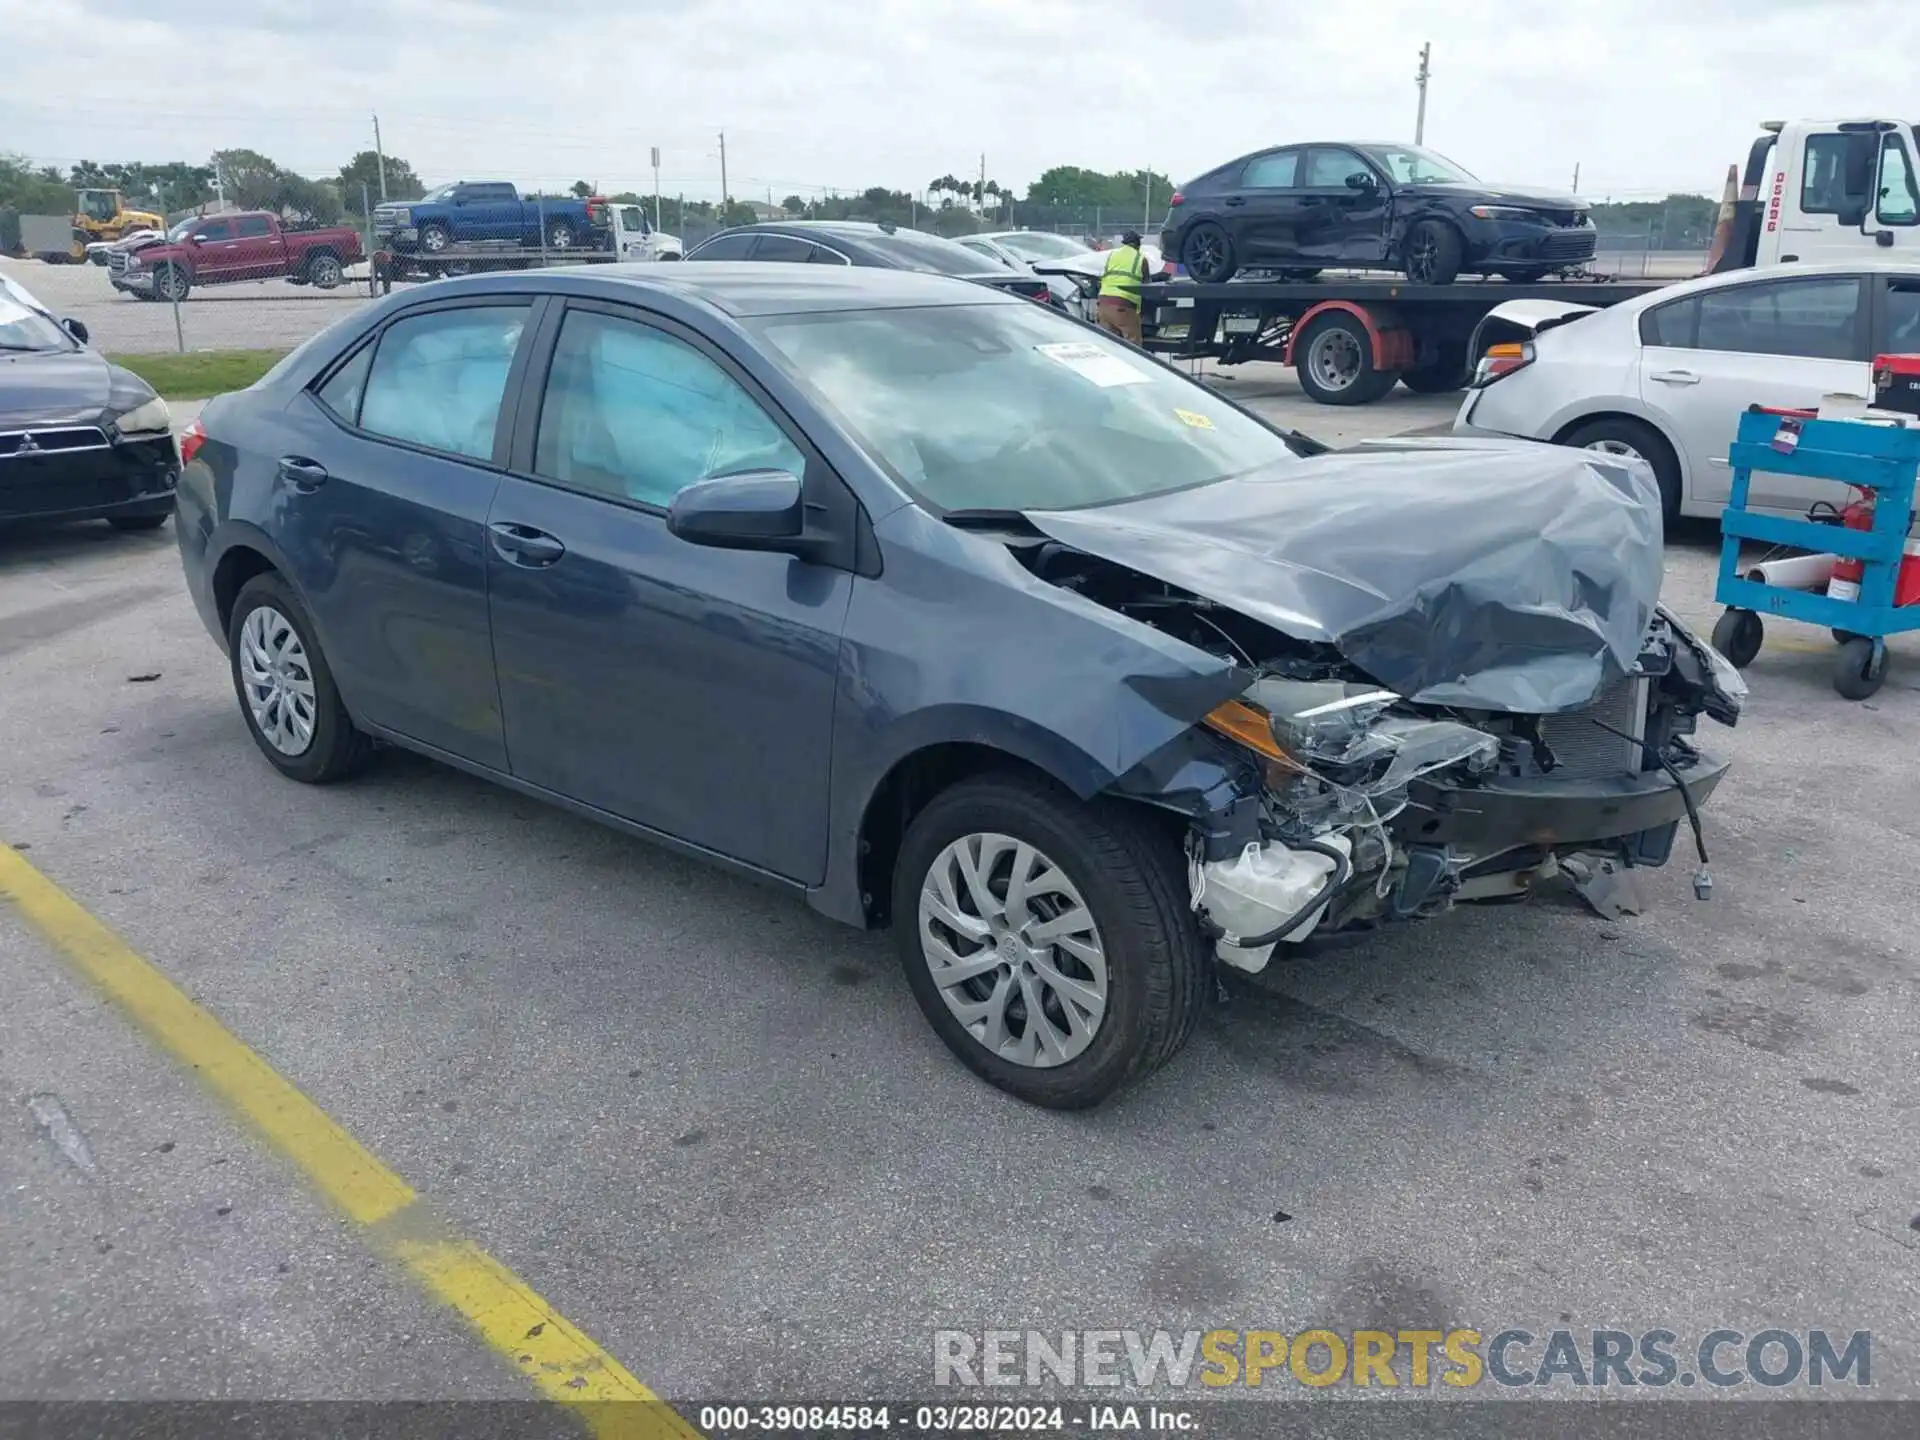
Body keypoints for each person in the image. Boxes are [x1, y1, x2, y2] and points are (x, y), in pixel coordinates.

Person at [1095, 230, 1150, 343]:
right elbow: (1147, 285)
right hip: (1123, 306)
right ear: (1137, 243)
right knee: (1133, 344)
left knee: (1110, 345)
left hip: (1103, 305)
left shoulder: (1112, 255)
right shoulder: (1140, 258)